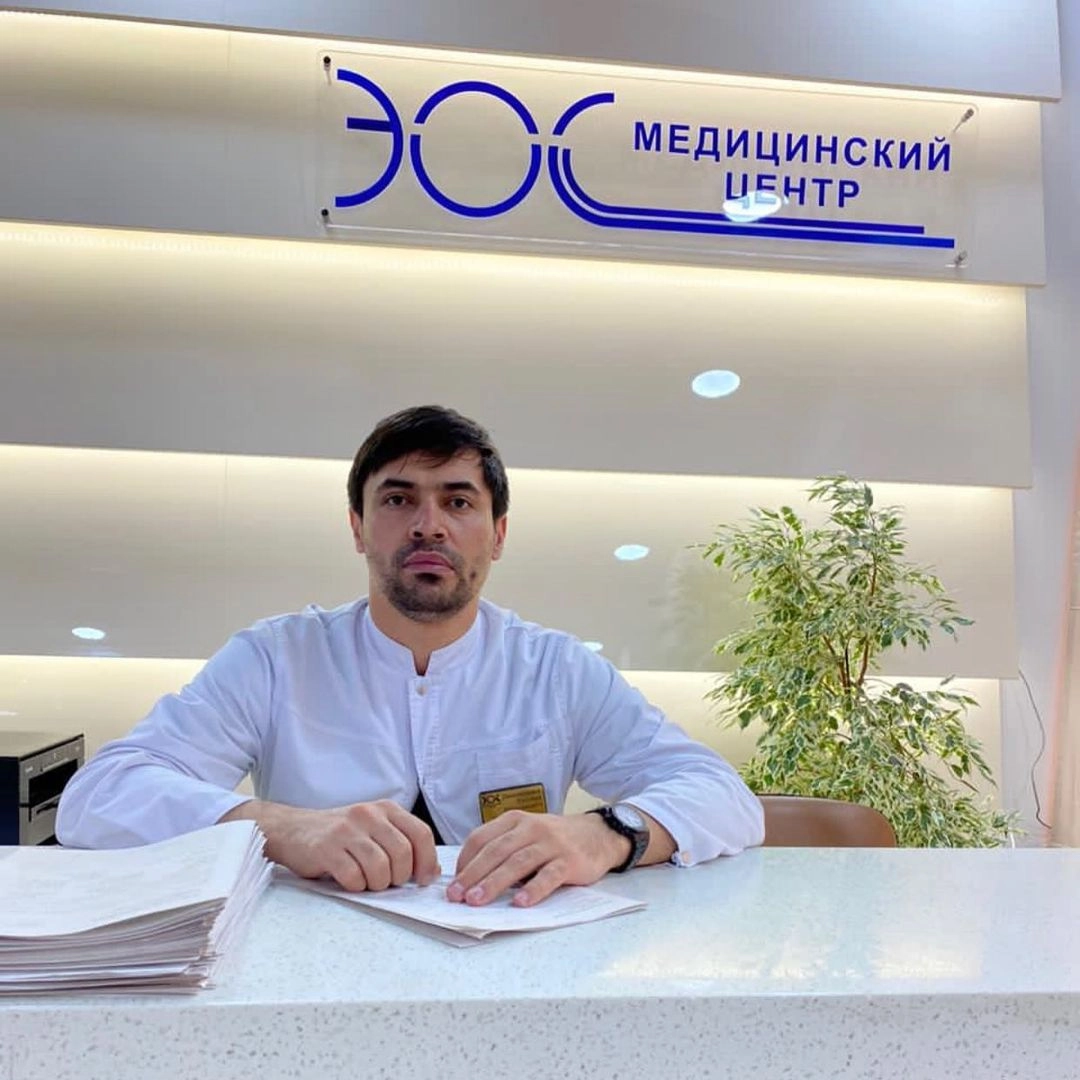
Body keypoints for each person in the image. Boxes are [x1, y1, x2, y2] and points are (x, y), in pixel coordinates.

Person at [57, 406, 763, 907]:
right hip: (309, 977)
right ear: (358, 529)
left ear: (498, 534)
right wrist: (281, 828)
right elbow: (97, 798)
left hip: (516, 976)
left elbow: (721, 794)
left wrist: (605, 835)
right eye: (399, 500)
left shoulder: (556, 669)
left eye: (458, 502)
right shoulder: (275, 659)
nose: (429, 525)